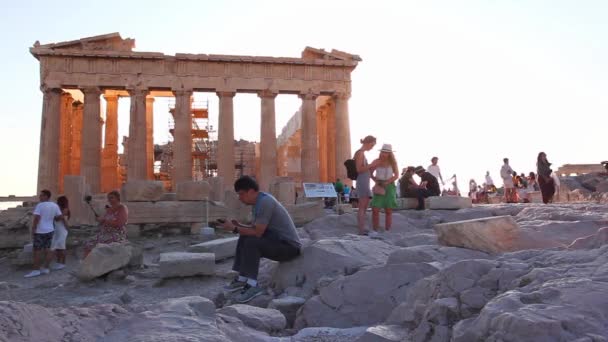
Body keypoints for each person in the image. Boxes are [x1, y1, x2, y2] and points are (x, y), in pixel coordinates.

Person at [218, 176, 301, 303]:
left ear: (251, 191)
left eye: (241, 194)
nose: (240, 198)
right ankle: (242, 278)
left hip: (289, 247)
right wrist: (238, 226)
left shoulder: (265, 202)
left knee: (252, 241)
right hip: (277, 241)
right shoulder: (259, 202)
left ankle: (252, 285)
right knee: (245, 236)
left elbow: (257, 232)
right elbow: (255, 228)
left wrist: (234, 229)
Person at [24, 190, 63, 278]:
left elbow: (37, 218)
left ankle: (36, 270)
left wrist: (33, 229)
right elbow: (60, 216)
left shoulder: (40, 205)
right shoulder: (54, 205)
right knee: (48, 249)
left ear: (46, 196)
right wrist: (52, 219)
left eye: (41, 195)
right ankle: (45, 268)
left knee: (37, 251)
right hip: (50, 230)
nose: (40, 197)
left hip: (40, 231)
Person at [84, 190, 129, 257]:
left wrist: (104, 220)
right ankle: (87, 262)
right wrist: (100, 220)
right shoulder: (109, 209)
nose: (110, 200)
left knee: (96, 244)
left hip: (116, 234)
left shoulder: (122, 208)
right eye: (109, 198)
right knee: (88, 243)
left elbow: (120, 223)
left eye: (112, 197)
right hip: (105, 233)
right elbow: (103, 221)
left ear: (117, 198)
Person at [370, 144, 399, 233]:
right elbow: (370, 173)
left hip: (390, 186)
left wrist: (387, 182)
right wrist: (376, 181)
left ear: (390, 154)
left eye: (386, 152)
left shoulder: (393, 163)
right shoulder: (376, 161)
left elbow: (396, 175)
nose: (384, 154)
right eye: (383, 152)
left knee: (388, 210)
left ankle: (387, 231)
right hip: (379, 185)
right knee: (375, 209)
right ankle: (375, 230)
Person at [354, 135, 380, 235]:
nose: (372, 147)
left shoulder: (361, 153)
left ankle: (362, 228)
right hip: (362, 181)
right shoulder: (360, 153)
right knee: (362, 207)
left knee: (364, 206)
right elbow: (359, 169)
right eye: (372, 145)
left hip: (364, 181)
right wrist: (372, 164)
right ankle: (361, 230)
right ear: (367, 143)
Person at [50, 195, 70, 270]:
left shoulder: (65, 209)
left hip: (62, 230)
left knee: (62, 246)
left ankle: (63, 263)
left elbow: (59, 219)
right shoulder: (58, 209)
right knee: (58, 247)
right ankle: (58, 262)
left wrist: (53, 215)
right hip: (57, 230)